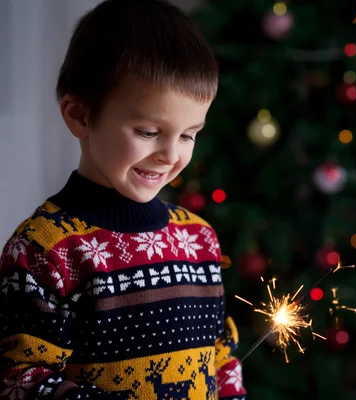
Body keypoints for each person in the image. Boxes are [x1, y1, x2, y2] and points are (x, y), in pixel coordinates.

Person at [0, 1, 246, 399]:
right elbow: (20, 380)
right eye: (149, 131)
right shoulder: (46, 250)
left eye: (187, 135)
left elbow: (222, 356)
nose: (170, 155)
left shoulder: (198, 240)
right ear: (80, 116)